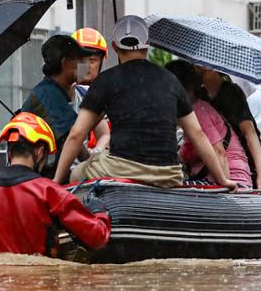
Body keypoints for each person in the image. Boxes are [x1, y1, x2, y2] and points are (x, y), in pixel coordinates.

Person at [54, 15, 237, 190]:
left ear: (115, 47)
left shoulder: (106, 81)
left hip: (122, 169)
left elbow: (77, 134)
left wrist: (56, 180)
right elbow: (197, 133)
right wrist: (222, 179)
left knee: (76, 173)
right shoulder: (170, 80)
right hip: (168, 175)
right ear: (147, 44)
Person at [0, 112, 111, 256]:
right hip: (39, 280)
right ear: (39, 153)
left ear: (9, 152)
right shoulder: (50, 192)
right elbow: (97, 238)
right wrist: (98, 211)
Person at [166, 60, 253, 187]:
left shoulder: (198, 111)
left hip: (234, 181)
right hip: (217, 179)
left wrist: (225, 186)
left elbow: (219, 152)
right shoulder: (196, 109)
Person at [21, 34, 98, 172]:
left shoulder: (52, 90)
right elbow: (74, 138)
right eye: (79, 60)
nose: (84, 66)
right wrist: (93, 162)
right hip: (42, 179)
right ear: (65, 63)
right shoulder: (49, 95)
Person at [199, 67, 261, 191]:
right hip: (221, 166)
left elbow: (249, 132)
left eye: (197, 66)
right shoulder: (200, 95)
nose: (194, 69)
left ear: (209, 68)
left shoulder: (230, 92)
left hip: (249, 164)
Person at [71, 27, 111, 152]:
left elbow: (104, 135)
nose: (87, 66)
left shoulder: (90, 94)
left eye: (92, 60)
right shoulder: (61, 90)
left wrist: (95, 153)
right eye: (82, 60)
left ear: (101, 63)